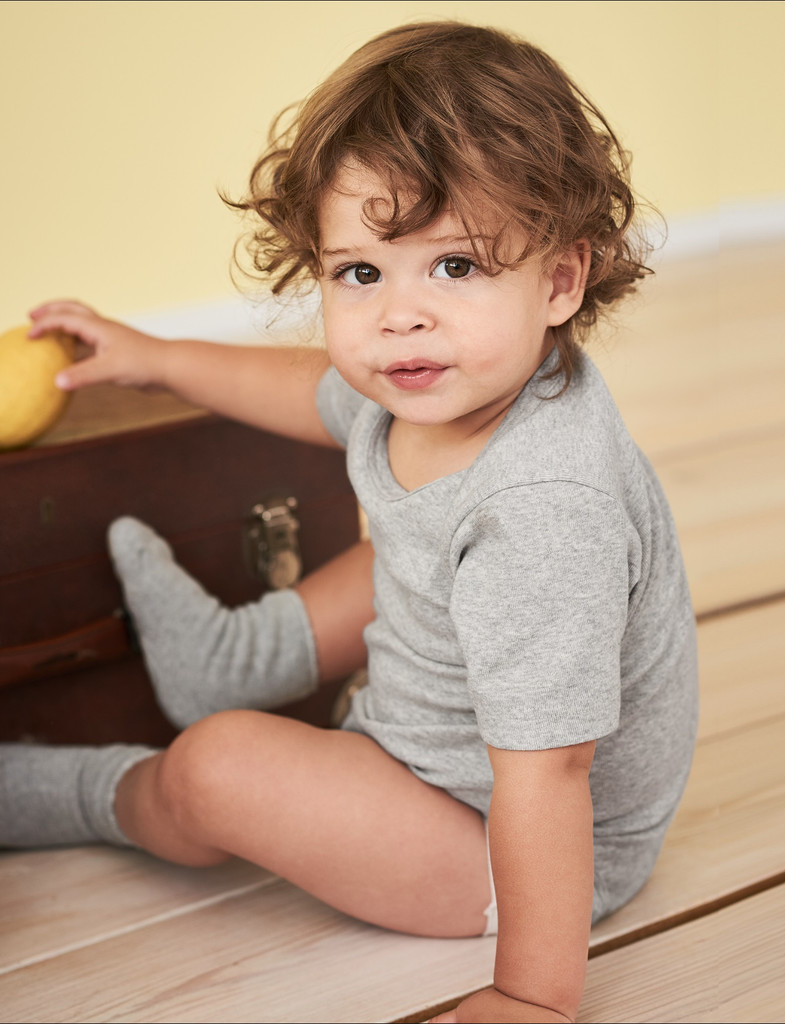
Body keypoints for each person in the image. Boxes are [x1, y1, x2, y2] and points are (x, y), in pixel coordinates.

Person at [2, 22, 698, 1023]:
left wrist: (535, 994)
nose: (398, 315)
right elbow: (311, 389)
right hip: (446, 738)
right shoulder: (434, 384)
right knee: (406, 558)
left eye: (454, 267)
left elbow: (551, 773)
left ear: (560, 279)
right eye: (361, 272)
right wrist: (156, 357)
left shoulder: (544, 513)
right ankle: (234, 656)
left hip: (505, 847)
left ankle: (90, 796)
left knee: (216, 768)